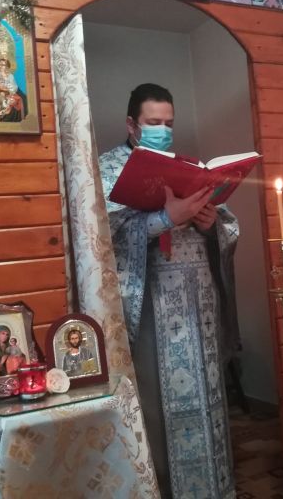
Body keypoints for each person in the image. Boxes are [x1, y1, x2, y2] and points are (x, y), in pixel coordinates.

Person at [99, 83, 239, 498]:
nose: (162, 130)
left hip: (200, 307)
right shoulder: (108, 169)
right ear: (132, 124)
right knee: (157, 409)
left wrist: (210, 224)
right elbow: (102, 238)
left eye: (168, 123)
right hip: (150, 307)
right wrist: (164, 218)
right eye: (153, 122)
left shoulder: (189, 166)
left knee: (208, 400)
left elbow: (227, 227)